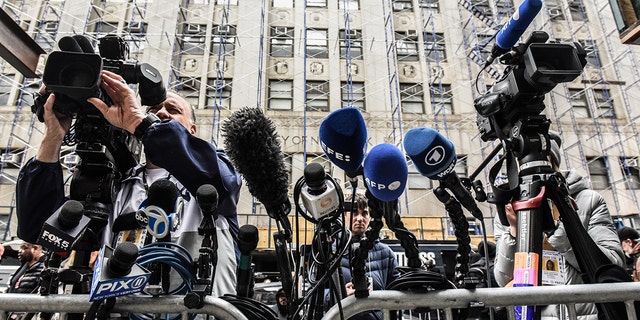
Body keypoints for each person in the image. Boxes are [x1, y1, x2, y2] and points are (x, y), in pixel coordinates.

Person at [15, 70, 242, 297]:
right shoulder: (116, 185)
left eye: (173, 110)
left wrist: (141, 122)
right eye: (152, 111)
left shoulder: (213, 169)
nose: (161, 113)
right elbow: (39, 229)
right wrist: (53, 136)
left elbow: (221, 182)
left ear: (192, 130)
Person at [493, 138, 624, 319]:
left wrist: (560, 230)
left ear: (551, 160)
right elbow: (503, 279)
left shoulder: (589, 201)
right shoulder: (513, 205)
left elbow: (614, 265)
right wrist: (515, 230)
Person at [339, 193, 400, 320]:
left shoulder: (386, 253)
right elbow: (315, 294)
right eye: (355, 213)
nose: (360, 218)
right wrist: (340, 294)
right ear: (344, 216)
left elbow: (398, 295)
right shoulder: (332, 254)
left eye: (365, 213)